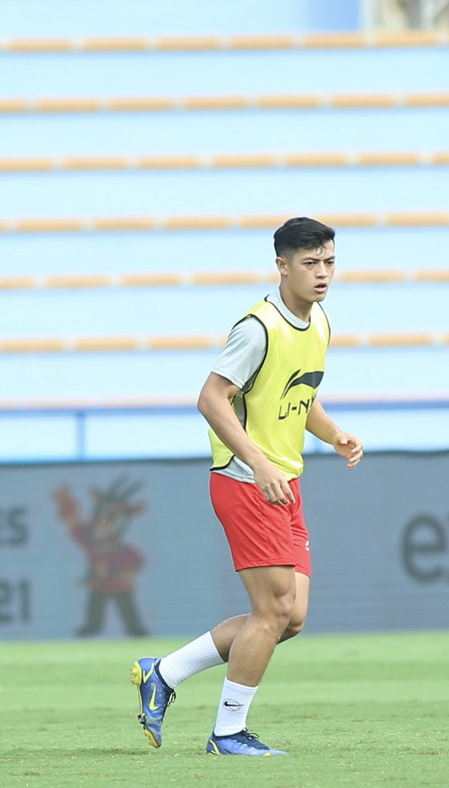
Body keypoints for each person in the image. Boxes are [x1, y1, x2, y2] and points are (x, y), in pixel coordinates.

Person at [130, 217, 363, 756]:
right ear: (282, 265)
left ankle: (164, 673)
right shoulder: (258, 328)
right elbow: (211, 398)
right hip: (247, 481)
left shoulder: (319, 321)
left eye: (329, 261)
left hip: (284, 481)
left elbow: (298, 394)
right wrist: (257, 462)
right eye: (310, 263)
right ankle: (228, 733)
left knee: (291, 617)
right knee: (274, 609)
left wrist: (333, 434)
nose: (322, 273)